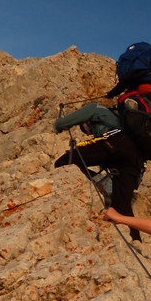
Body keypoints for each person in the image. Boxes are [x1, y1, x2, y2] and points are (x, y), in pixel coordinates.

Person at [54, 102, 144, 240]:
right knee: (121, 207)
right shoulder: (119, 122)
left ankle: (93, 181)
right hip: (134, 160)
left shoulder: (96, 108)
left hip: (113, 144)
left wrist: (59, 125)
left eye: (85, 129)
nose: (88, 133)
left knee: (63, 161)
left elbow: (73, 118)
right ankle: (136, 241)